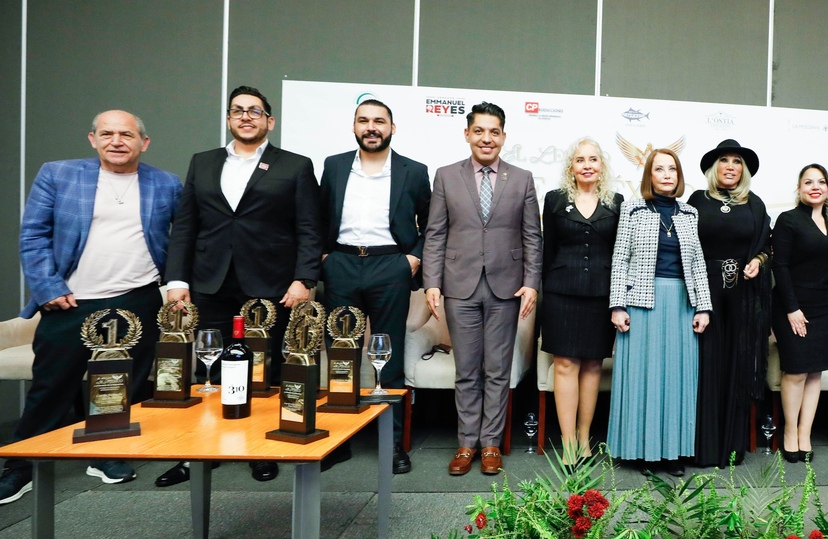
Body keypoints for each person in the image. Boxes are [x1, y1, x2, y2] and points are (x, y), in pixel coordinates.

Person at [0, 111, 181, 505]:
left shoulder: (166, 183)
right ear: (93, 139)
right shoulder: (59, 174)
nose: (117, 141)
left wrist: (176, 284)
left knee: (120, 386)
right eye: (107, 133)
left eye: (126, 134)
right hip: (69, 301)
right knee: (51, 387)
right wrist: (48, 287)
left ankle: (106, 453)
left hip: (137, 299)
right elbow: (33, 234)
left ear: (144, 142)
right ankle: (21, 465)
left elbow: (182, 238)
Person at [156, 86, 322, 486]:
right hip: (209, 281)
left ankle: (260, 449)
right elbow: (186, 226)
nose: (246, 116)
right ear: (229, 118)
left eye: (255, 111)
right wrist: (176, 280)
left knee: (263, 368)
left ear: (270, 121)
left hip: (269, 283)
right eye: (238, 110)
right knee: (209, 365)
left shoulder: (295, 165)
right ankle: (202, 450)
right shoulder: (203, 162)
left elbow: (309, 228)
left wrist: (304, 279)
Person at [423, 102, 541, 476]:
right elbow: (435, 234)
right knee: (467, 369)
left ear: (503, 137)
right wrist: (431, 283)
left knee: (498, 369)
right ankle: (466, 443)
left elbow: (532, 236)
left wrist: (531, 283)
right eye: (479, 131)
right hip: (459, 285)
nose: (486, 138)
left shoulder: (521, 178)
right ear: (467, 134)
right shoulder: (446, 176)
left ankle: (490, 443)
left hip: (507, 287)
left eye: (494, 132)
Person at [318, 99, 430, 475]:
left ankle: (391, 442)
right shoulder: (334, 166)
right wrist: (325, 258)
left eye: (379, 121)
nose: (371, 127)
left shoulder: (414, 171)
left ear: (392, 128)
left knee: (389, 356)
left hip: (390, 266)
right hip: (342, 265)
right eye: (364, 120)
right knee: (342, 356)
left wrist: (412, 259)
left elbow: (432, 223)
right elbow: (318, 217)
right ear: (353, 127)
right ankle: (338, 441)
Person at [609, 148, 712, 477]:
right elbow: (620, 258)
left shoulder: (690, 213)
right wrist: (617, 305)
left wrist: (704, 307)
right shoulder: (632, 209)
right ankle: (643, 451)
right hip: (641, 303)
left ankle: (672, 451)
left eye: (672, 169)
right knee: (644, 377)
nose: (667, 175)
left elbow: (697, 263)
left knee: (677, 379)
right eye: (659, 169)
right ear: (649, 175)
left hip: (681, 303)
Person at [687, 139, 771, 468]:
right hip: (703, 293)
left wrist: (758, 261)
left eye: (737, 161)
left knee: (736, 363)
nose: (731, 166)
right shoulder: (698, 200)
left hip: (741, 296)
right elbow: (684, 245)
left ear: (743, 170)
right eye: (724, 160)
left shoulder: (755, 204)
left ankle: (731, 447)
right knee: (705, 364)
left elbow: (767, 245)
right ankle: (701, 447)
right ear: (714, 167)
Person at [540, 137, 623, 465]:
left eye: (593, 159)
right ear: (571, 167)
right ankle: (568, 442)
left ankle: (585, 437)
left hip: (601, 295)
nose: (587, 165)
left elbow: (620, 254)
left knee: (592, 365)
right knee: (564, 364)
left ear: (602, 166)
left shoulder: (617, 202)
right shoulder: (555, 200)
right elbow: (547, 251)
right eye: (580, 160)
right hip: (561, 293)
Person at [771, 164, 828, 464]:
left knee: (815, 370)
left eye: (821, 182)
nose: (815, 187)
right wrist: (792, 309)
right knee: (796, 371)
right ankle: (790, 432)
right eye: (808, 182)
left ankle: (805, 433)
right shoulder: (789, 219)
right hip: (793, 305)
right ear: (799, 188)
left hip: (824, 306)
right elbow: (780, 267)